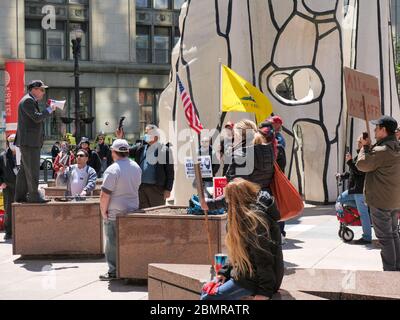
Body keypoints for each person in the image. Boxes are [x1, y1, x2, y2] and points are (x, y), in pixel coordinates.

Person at [201, 178, 284, 300]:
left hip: (256, 280)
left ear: (234, 201)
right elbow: (239, 253)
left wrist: (264, 292)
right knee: (206, 290)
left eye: (228, 199)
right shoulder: (243, 215)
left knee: (208, 298)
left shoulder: (253, 220)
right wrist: (224, 272)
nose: (226, 202)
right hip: (245, 272)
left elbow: (263, 258)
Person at [356, 115, 400, 271]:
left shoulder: (382, 150)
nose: (374, 130)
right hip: (394, 200)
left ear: (384, 130)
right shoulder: (396, 147)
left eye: (377, 127)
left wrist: (364, 148)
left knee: (385, 237)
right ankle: (397, 267)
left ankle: (390, 271)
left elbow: (362, 165)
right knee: (393, 234)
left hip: (380, 201)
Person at [99, 139, 142, 281]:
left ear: (113, 152)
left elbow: (105, 195)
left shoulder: (112, 169)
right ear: (127, 152)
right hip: (133, 210)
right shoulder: (136, 166)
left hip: (115, 213)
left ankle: (113, 271)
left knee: (111, 243)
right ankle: (129, 269)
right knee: (129, 242)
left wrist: (103, 212)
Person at [14, 80, 56, 203]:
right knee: (32, 169)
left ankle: (20, 196)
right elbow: (37, 117)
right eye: (42, 90)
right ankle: (33, 196)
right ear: (34, 89)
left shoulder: (29, 100)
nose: (43, 93)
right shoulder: (28, 100)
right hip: (30, 142)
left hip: (28, 141)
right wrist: (49, 110)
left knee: (24, 170)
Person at [117, 125, 174, 209]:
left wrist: (168, 189)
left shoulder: (164, 150)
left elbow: (170, 172)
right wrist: (120, 139)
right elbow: (124, 151)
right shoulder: (140, 148)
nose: (145, 135)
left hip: (157, 190)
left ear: (155, 137)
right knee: (143, 215)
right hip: (141, 188)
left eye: (147, 133)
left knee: (157, 214)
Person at [336, 137, 372, 244]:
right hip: (354, 190)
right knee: (340, 199)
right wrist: (342, 175)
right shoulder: (359, 155)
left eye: (360, 142)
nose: (358, 144)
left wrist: (350, 162)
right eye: (358, 142)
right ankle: (346, 220)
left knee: (363, 214)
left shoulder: (366, 155)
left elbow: (360, 172)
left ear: (365, 143)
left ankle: (367, 237)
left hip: (360, 190)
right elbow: (353, 172)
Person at [226, 120, 275, 192]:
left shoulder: (239, 155)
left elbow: (237, 191)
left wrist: (211, 202)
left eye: (235, 135)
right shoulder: (268, 151)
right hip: (266, 199)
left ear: (239, 135)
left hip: (246, 201)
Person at [260, 120, 287, 243]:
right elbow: (282, 166)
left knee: (273, 210)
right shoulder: (277, 146)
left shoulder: (262, 148)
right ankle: (278, 233)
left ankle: (278, 233)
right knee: (276, 209)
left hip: (269, 184)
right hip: (273, 184)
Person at [0, 135, 18, 240]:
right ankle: (8, 232)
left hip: (19, 186)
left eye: (13, 141)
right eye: (10, 141)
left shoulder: (21, 155)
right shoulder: (3, 156)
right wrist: (1, 182)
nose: (12, 143)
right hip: (7, 187)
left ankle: (19, 230)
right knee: (8, 210)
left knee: (20, 209)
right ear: (7, 142)